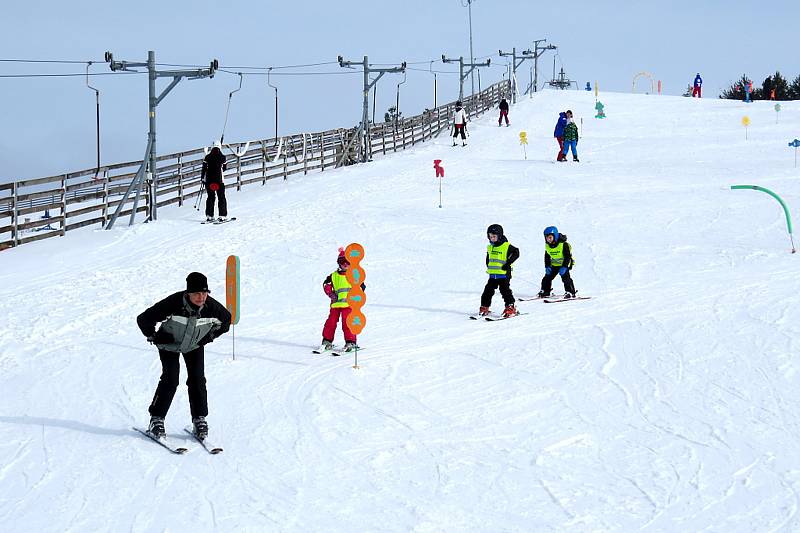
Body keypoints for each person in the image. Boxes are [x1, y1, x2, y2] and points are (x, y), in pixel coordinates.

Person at [137, 272, 232, 440]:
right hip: (169, 345)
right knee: (171, 379)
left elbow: (226, 321)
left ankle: (199, 419)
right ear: (188, 293)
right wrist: (154, 336)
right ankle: (156, 419)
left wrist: (207, 337)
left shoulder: (211, 307)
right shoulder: (173, 303)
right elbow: (144, 319)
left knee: (197, 379)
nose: (201, 297)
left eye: (204, 293)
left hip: (194, 345)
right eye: (196, 293)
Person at [320, 249, 366, 352]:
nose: (345, 264)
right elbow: (326, 284)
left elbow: (362, 287)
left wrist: (358, 295)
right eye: (342, 262)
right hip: (336, 305)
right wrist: (330, 293)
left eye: (348, 262)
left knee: (348, 323)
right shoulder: (333, 275)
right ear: (338, 263)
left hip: (349, 305)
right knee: (330, 322)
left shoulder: (355, 275)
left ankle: (350, 342)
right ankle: (327, 341)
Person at [479, 224, 520, 318]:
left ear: (500, 235)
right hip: (493, 275)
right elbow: (489, 258)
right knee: (487, 291)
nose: (492, 238)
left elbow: (516, 252)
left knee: (505, 291)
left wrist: (508, 263)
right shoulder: (490, 247)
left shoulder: (506, 246)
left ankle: (510, 307)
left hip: (504, 274)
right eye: (490, 236)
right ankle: (484, 307)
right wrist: (488, 265)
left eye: (494, 236)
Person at [538, 226, 578, 299]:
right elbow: (547, 257)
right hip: (554, 265)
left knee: (566, 278)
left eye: (550, 237)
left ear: (555, 236)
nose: (548, 240)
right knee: (547, 278)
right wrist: (547, 266)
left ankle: (570, 292)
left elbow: (567, 256)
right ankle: (545, 291)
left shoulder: (563, 244)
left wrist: (565, 267)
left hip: (565, 264)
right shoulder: (547, 246)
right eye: (547, 238)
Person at [202, 145, 228, 222]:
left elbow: (204, 169)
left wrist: (203, 179)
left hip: (209, 181)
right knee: (221, 197)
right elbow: (224, 168)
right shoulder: (223, 157)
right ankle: (222, 215)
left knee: (210, 197)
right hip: (219, 181)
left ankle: (209, 216)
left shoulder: (207, 157)